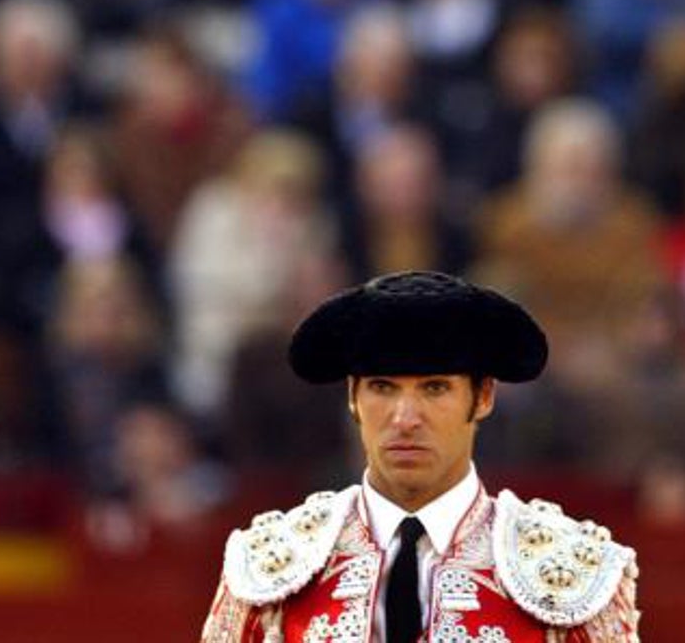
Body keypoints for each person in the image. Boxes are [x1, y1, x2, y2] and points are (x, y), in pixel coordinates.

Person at [199, 270, 640, 642]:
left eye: (434, 388)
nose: (405, 418)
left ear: (483, 396)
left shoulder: (575, 572)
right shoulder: (268, 567)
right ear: (353, 396)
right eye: (382, 387)